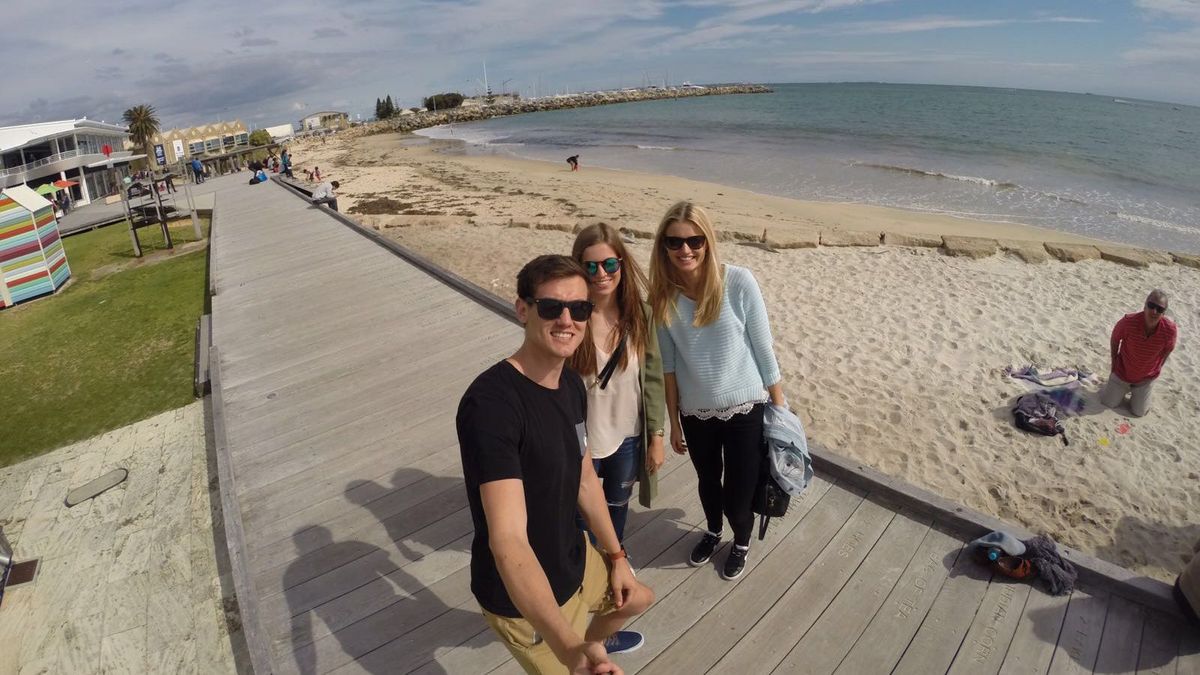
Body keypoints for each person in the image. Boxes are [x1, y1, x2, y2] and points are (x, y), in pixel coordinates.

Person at [457, 255, 654, 675]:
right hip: (523, 599)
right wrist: (568, 646)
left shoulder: (568, 383)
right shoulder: (492, 406)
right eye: (552, 307)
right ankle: (584, 650)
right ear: (523, 310)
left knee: (638, 597)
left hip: (575, 559)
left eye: (580, 309)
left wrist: (616, 555)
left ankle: (595, 642)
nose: (568, 320)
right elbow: (508, 540)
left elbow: (584, 476)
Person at [648, 201, 786, 581]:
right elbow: (670, 369)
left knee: (738, 496)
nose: (685, 250)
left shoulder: (739, 282)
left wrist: (781, 412)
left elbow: (763, 348)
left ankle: (741, 541)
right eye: (675, 242)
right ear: (663, 247)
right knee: (708, 484)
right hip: (696, 415)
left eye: (695, 240)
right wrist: (674, 423)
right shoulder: (663, 298)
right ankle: (713, 532)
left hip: (746, 410)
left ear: (708, 241)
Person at [567, 223, 666, 544]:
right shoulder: (569, 317)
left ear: (621, 264)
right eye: (590, 266)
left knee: (617, 507)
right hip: (583, 441)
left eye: (609, 264)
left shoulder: (640, 315)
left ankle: (614, 564)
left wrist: (657, 437)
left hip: (627, 437)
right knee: (583, 515)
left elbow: (652, 378)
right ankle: (585, 573)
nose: (601, 273)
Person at [1100, 289, 1177, 417]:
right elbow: (1114, 340)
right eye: (1151, 305)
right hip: (1122, 373)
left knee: (1139, 412)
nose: (1154, 311)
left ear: (1164, 313)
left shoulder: (1170, 330)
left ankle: (1140, 392)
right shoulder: (1128, 321)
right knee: (1108, 403)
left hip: (1145, 379)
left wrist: (1158, 367)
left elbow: (1169, 349)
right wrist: (1114, 364)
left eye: (1159, 309)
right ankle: (1112, 386)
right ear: (1145, 305)